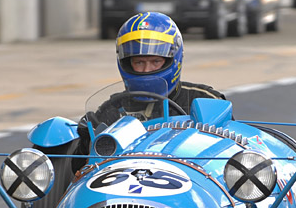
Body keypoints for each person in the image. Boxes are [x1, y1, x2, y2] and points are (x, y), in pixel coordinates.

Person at [91, 12, 224, 127]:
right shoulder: (112, 109)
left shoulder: (204, 100)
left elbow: (232, 147)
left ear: (173, 59)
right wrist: (85, 140)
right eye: (139, 62)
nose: (147, 70)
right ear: (126, 63)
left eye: (155, 61)